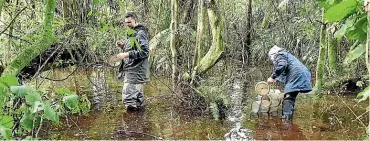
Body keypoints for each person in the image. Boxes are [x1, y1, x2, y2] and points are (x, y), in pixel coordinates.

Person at [266, 45, 312, 121]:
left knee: (289, 97)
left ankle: (286, 121)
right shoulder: (286, 55)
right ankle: (289, 118)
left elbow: (282, 65)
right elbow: (285, 71)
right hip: (303, 73)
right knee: (291, 96)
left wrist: (272, 77)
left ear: (273, 54)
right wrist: (276, 79)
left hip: (297, 74)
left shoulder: (279, 54)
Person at [116, 12, 150, 112]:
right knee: (138, 99)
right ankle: (140, 122)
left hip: (136, 70)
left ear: (135, 20)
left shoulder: (140, 33)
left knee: (129, 100)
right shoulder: (133, 32)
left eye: (129, 22)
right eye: (126, 22)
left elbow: (144, 52)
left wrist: (126, 54)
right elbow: (135, 47)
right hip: (132, 70)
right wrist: (123, 46)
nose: (127, 24)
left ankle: (130, 125)